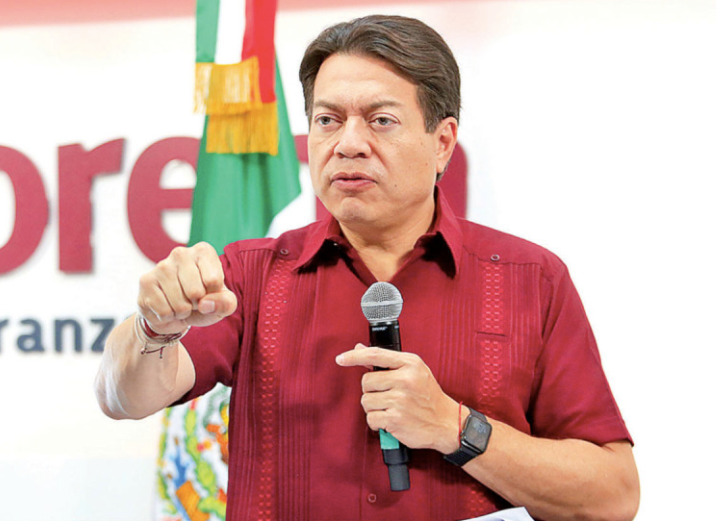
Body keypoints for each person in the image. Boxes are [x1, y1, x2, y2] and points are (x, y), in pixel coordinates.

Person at [95, 14, 639, 521]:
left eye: (381, 120)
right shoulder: (249, 274)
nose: (348, 144)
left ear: (442, 142)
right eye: (327, 120)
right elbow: (122, 398)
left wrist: (456, 427)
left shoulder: (530, 279)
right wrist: (152, 329)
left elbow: (612, 496)